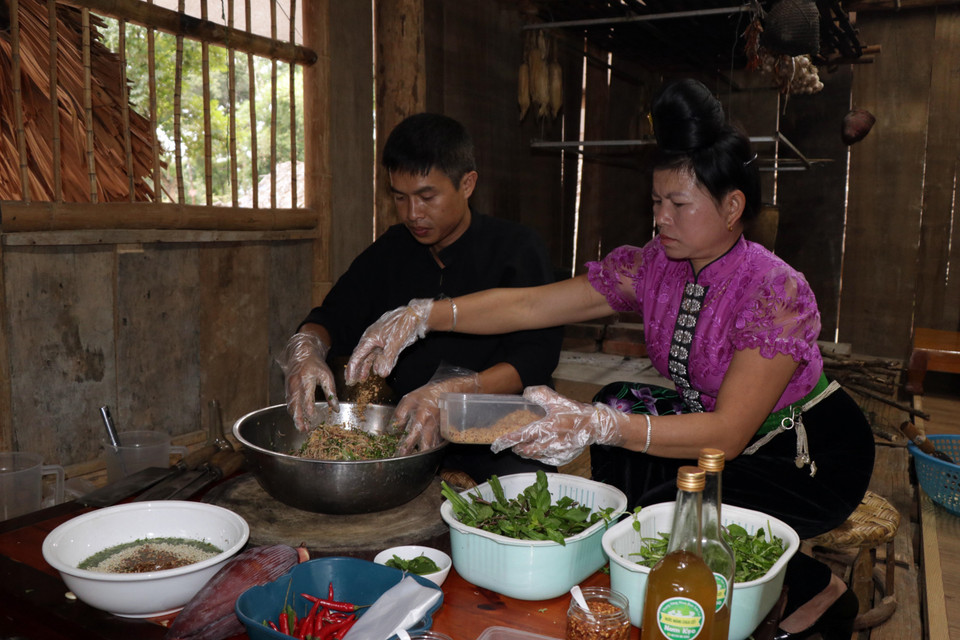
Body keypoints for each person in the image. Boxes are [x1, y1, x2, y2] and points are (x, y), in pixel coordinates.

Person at [343, 80, 875, 639]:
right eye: (655, 202)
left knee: (671, 526)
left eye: (678, 204)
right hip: (719, 433)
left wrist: (601, 427)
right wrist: (427, 314)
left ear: (732, 205)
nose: (660, 218)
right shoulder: (656, 266)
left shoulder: (773, 290)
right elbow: (531, 304)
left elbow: (728, 434)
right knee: (621, 428)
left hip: (802, 452)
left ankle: (813, 588)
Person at [278, 112, 563, 481]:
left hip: (502, 434)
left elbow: (536, 358)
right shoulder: (392, 252)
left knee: (525, 500)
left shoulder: (515, 249)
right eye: (400, 197)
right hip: (413, 433)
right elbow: (333, 315)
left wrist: (453, 393)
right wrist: (307, 349)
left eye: (427, 197)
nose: (414, 214)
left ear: (468, 184)